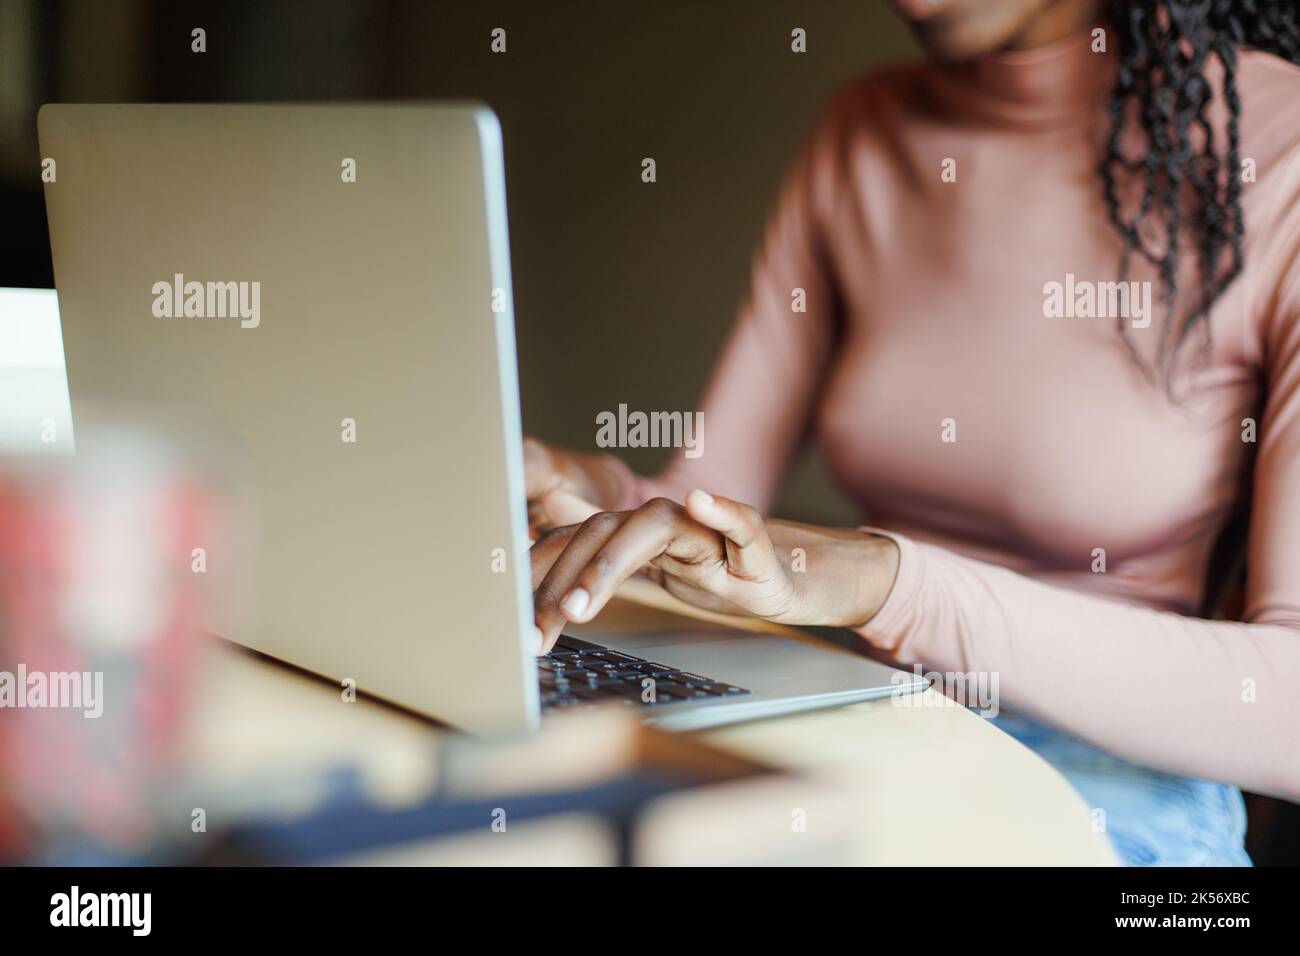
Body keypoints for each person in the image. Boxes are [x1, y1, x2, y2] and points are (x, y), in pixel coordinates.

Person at [524, 0, 1300, 865]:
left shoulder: (1280, 146)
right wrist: (600, 507)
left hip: (1118, 790)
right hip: (873, 727)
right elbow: (713, 505)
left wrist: (895, 586)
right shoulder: (866, 129)